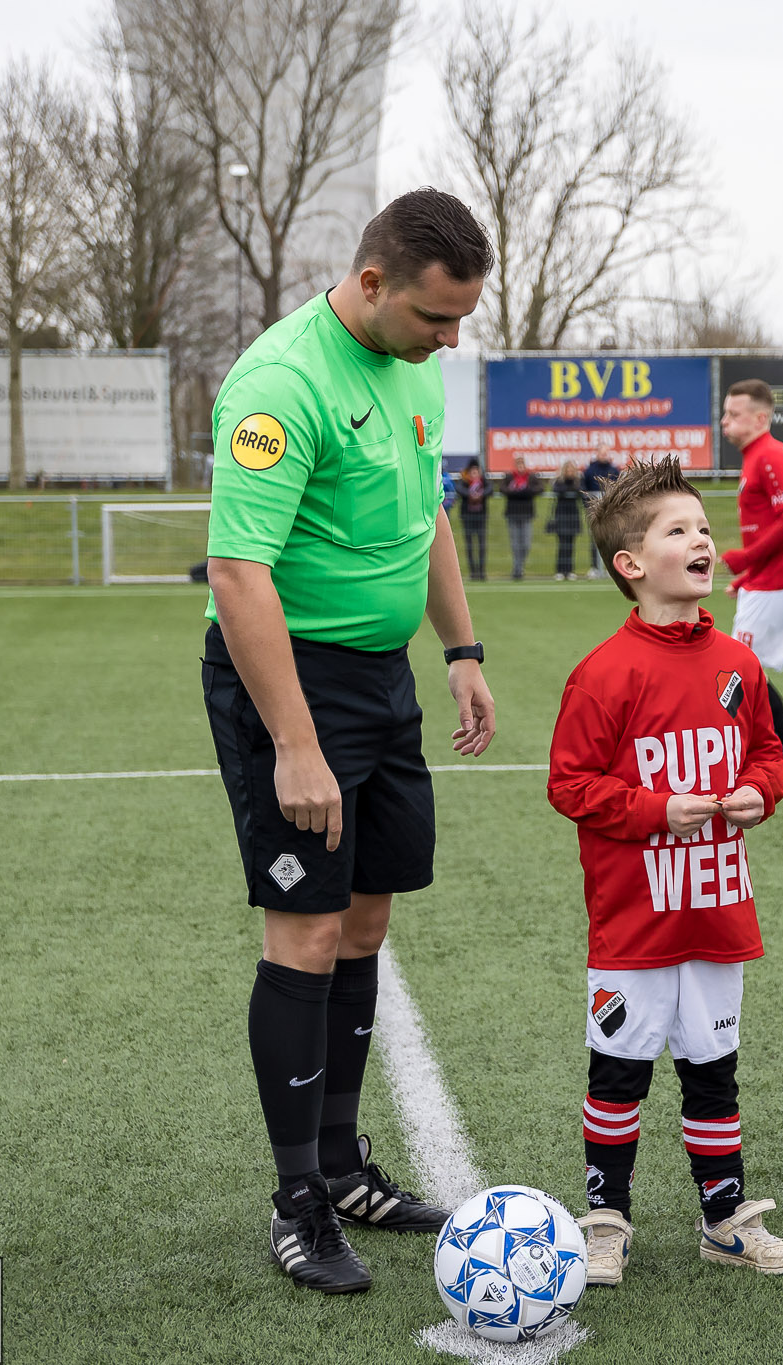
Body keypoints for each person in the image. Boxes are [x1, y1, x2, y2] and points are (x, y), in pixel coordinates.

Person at [203, 188, 498, 1294]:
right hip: (292, 684)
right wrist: (293, 741)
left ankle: (342, 1164)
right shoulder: (279, 383)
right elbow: (239, 574)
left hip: (383, 681)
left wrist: (460, 649)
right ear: (372, 283)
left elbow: (428, 516)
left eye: (461, 320)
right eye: (436, 317)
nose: (450, 341)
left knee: (366, 920)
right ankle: (298, 1200)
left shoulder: (415, 365)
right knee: (306, 935)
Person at [547, 455, 783, 1286]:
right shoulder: (603, 672)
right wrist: (656, 809)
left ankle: (724, 1220)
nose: (703, 540)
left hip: (718, 912)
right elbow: (570, 785)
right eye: (678, 530)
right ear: (631, 563)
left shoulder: (738, 662)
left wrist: (760, 792)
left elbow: (768, 755)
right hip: (635, 923)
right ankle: (605, 1221)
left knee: (713, 1074)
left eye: (703, 526)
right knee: (618, 1075)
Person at [718, 380, 783, 789]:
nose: (725, 421)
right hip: (765, 580)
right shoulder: (756, 455)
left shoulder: (770, 454)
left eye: (734, 414)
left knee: (738, 671)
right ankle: (778, 756)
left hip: (777, 583)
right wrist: (747, 576)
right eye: (725, 414)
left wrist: (747, 560)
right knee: (742, 670)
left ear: (760, 418)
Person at [580, 453, 619, 578]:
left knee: (611, 540)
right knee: (595, 539)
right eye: (602, 453)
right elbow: (584, 488)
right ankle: (595, 567)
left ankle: (611, 568)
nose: (604, 455)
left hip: (611, 511)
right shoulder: (590, 470)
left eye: (606, 453)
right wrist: (589, 504)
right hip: (594, 511)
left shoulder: (613, 470)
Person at [502, 455, 539, 580]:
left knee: (526, 544)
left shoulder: (531, 477)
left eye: (522, 464)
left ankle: (520, 565)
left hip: (527, 513)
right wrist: (514, 492)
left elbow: (540, 488)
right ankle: (517, 570)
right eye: (518, 464)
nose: (520, 467)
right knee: (515, 544)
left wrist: (526, 491)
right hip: (512, 514)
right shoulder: (510, 477)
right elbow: (502, 488)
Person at [549, 460, 584, 579]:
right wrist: (569, 490)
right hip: (561, 515)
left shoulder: (578, 481)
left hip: (573, 515)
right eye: (567, 470)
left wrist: (571, 489)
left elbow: (580, 490)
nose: (569, 472)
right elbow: (557, 489)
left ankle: (569, 570)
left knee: (570, 544)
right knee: (562, 543)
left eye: (571, 470)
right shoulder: (559, 481)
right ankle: (560, 570)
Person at [457, 459, 490, 580]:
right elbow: (459, 489)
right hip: (468, 517)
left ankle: (481, 571)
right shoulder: (464, 482)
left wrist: (480, 495)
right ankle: (473, 572)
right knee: (469, 545)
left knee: (481, 544)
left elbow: (490, 489)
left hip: (481, 516)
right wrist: (470, 495)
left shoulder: (483, 482)